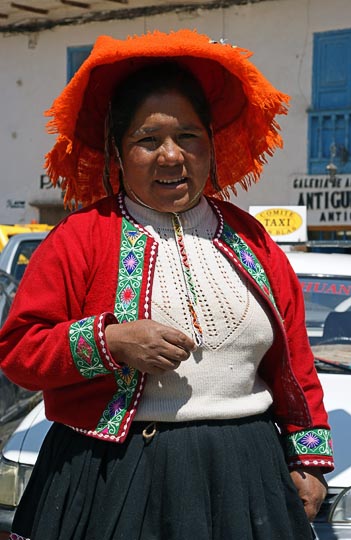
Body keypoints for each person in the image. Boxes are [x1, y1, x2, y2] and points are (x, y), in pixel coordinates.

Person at [0, 29, 333, 540]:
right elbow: (19, 350)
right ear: (118, 151)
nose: (171, 156)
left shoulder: (253, 239)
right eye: (147, 140)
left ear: (210, 145)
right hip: (114, 474)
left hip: (246, 474)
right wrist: (108, 342)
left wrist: (307, 458)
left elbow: (295, 361)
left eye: (188, 137)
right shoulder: (81, 237)